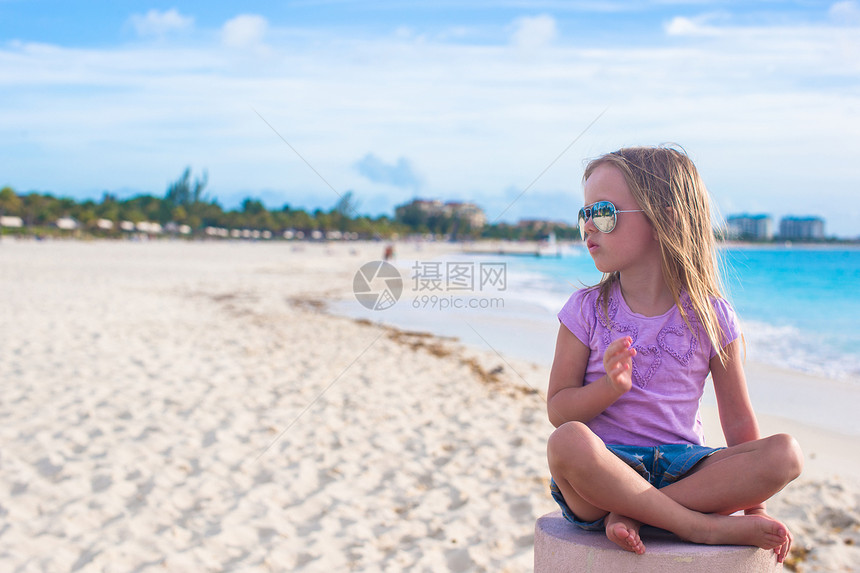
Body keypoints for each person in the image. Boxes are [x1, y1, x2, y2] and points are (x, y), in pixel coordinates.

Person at [546, 146, 803, 562]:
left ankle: (636, 514)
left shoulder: (711, 315)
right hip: (605, 474)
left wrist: (755, 503)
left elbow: (737, 418)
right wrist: (609, 389)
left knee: (786, 454)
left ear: (665, 217)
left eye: (605, 213)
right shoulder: (585, 310)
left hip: (686, 470)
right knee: (567, 441)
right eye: (585, 214)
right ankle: (695, 526)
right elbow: (559, 409)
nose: (589, 225)